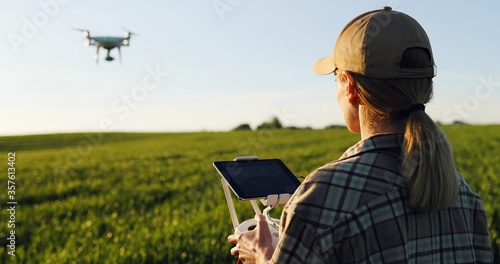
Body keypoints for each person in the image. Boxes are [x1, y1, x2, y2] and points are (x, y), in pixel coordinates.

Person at [228, 6, 493, 263]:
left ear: (350, 86)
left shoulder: (322, 195)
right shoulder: (462, 193)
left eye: (336, 78)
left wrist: (262, 256)